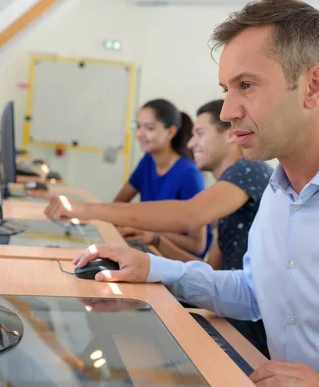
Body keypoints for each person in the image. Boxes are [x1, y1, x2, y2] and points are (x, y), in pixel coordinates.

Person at [71, 0, 319, 387]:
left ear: (313, 86)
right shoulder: (280, 190)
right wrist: (154, 268)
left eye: (246, 86)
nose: (226, 112)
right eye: (226, 89)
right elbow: (257, 292)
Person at [35, 99, 273, 356]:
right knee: (116, 312)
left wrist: (83, 209)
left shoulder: (249, 169)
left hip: (249, 328)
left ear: (229, 135)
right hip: (229, 311)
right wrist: (152, 252)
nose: (191, 144)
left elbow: (188, 215)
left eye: (199, 134)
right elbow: (211, 271)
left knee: (121, 331)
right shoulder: (228, 191)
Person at [114, 98, 212, 258]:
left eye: (149, 128)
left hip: (177, 265)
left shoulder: (189, 174)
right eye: (137, 126)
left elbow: (197, 245)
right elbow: (118, 203)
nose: (139, 134)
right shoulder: (147, 162)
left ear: (171, 132)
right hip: (149, 252)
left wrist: (149, 232)